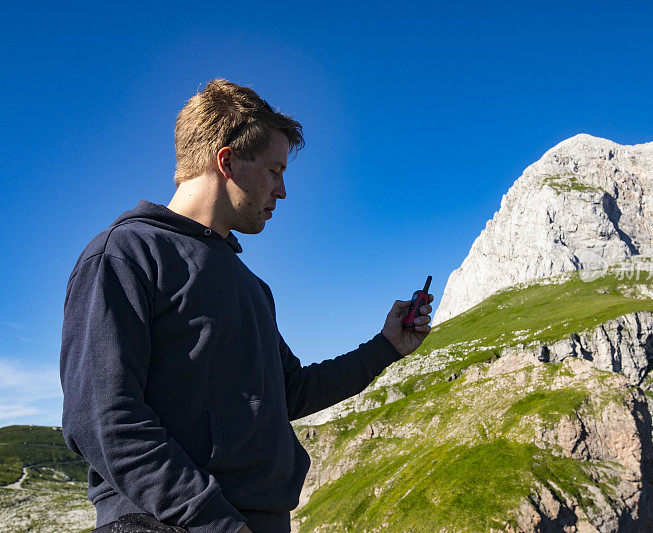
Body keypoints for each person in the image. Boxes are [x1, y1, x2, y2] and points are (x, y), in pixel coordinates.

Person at [59, 79, 433, 533]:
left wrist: (386, 347)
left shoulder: (251, 285)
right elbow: (104, 420)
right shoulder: (126, 254)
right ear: (227, 160)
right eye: (275, 171)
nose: (282, 191)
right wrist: (218, 524)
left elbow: (290, 392)